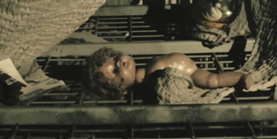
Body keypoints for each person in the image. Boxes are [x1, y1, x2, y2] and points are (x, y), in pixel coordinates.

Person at [83, 47, 254, 100]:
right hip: (185, 75)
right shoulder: (140, 84)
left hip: (187, 69)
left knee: (212, 79)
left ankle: (240, 76)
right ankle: (240, 78)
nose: (119, 63)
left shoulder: (141, 74)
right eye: (114, 71)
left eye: (115, 59)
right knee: (212, 81)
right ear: (120, 89)